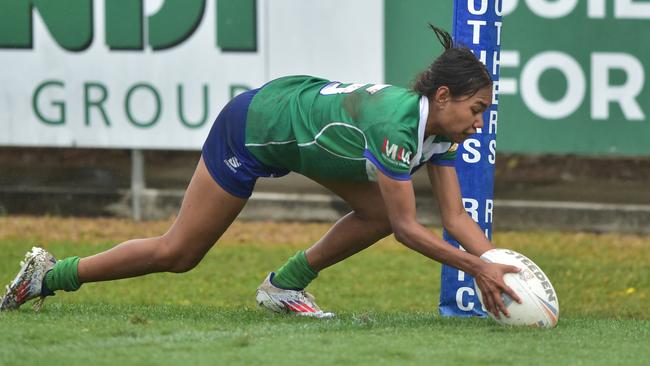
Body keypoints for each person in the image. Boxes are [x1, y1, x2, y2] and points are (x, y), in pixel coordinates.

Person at [1, 25, 521, 318]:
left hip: (300, 133)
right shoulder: (398, 125)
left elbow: (454, 218)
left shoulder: (442, 132)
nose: (478, 122)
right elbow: (411, 229)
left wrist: (504, 267)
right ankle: (48, 276)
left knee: (379, 212)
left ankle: (284, 286)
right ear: (443, 96)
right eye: (476, 109)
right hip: (255, 126)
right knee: (178, 253)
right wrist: (478, 268)